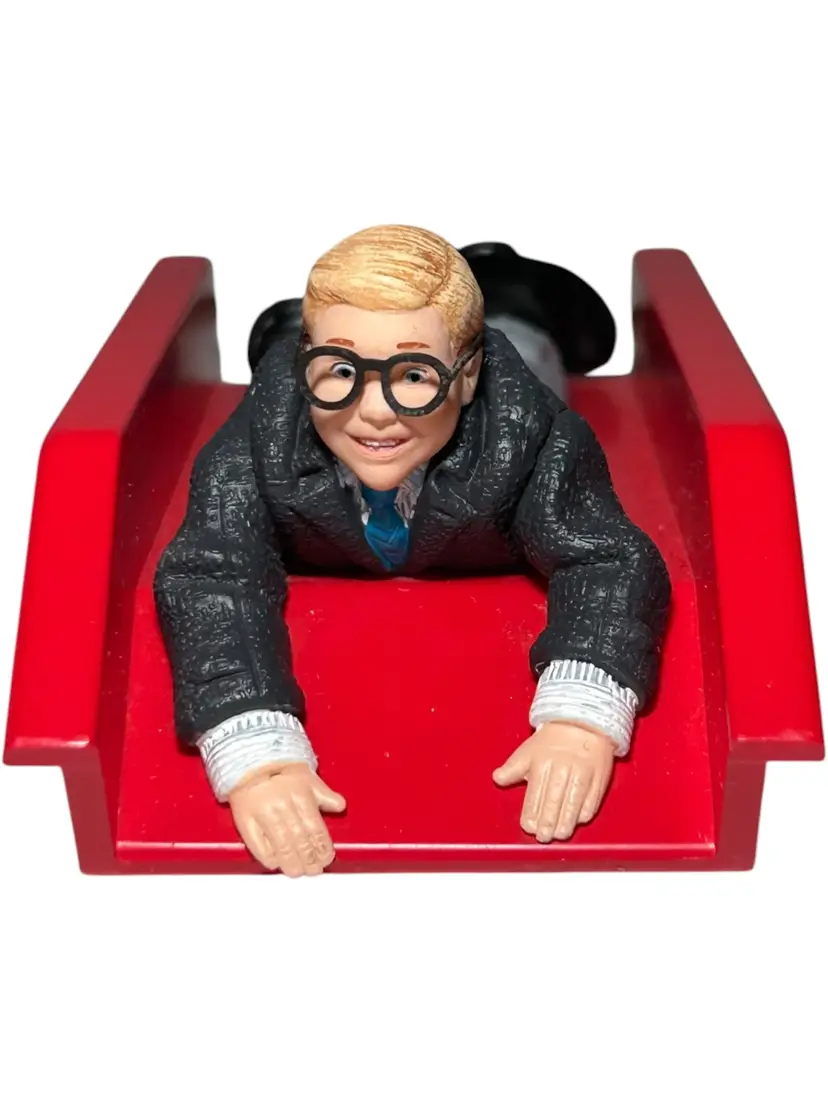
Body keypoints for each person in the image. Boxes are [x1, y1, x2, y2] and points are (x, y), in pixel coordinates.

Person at [154, 224, 671, 876]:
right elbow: (211, 569)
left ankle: (509, 284)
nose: (376, 413)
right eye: (342, 370)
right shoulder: (262, 436)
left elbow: (608, 557)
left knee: (530, 344)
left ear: (467, 374)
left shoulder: (529, 435)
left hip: (516, 352)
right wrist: (255, 748)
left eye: (415, 375)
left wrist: (581, 716)